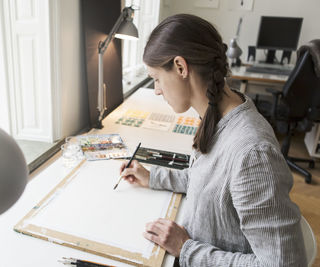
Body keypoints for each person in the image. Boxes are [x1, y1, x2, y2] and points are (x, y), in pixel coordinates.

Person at [119, 14, 307, 266]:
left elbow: (284, 264)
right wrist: (152, 177)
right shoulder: (218, 114)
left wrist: (185, 249)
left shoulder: (252, 153)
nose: (158, 90)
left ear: (180, 67)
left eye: (156, 78)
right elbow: (208, 180)